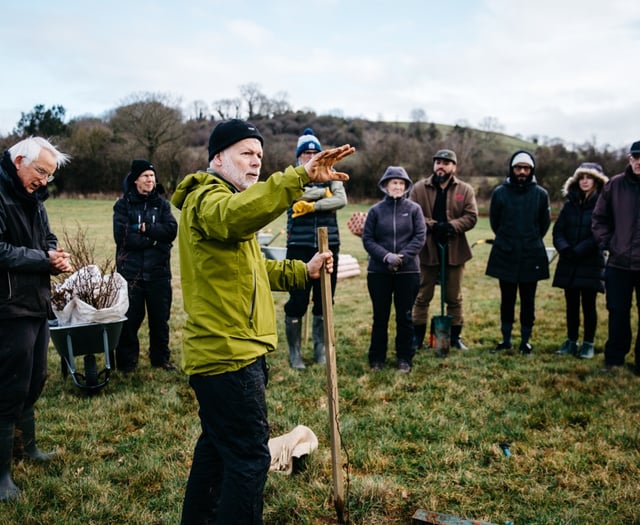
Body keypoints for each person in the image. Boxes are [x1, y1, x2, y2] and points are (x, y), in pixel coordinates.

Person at [170, 118, 354, 525]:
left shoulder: (226, 205)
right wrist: (299, 177)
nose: (255, 163)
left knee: (218, 450)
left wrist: (301, 272)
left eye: (259, 155)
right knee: (250, 457)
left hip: (233, 351)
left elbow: (254, 270)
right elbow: (238, 216)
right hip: (228, 355)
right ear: (218, 157)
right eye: (245, 153)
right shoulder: (209, 199)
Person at [0, 137, 73, 502]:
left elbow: (46, 236)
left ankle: (28, 448)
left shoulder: (34, 199)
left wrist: (53, 253)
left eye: (49, 175)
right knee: (9, 387)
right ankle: (2, 476)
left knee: (35, 378)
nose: (44, 180)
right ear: (18, 161)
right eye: (41, 171)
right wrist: (41, 259)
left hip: (37, 302)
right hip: (8, 306)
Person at [284, 128, 347, 370]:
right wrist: (324, 192)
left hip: (328, 242)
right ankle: (295, 352)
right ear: (298, 156)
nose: (310, 156)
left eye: (314, 152)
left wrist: (312, 204)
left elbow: (341, 200)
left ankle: (320, 349)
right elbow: (292, 196)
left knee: (325, 298)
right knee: (298, 299)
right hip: (298, 244)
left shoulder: (331, 173)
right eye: (305, 153)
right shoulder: (290, 176)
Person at [113, 159, 178, 372]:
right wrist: (155, 239)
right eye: (146, 176)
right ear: (135, 180)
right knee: (130, 321)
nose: (150, 180)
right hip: (131, 273)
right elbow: (123, 238)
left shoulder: (162, 205)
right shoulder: (123, 205)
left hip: (159, 272)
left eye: (152, 176)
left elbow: (171, 231)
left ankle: (160, 359)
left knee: (160, 320)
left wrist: (143, 228)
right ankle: (126, 363)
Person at [409, 149, 478, 352]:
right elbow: (412, 213)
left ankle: (454, 337)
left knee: (454, 297)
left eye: (446, 163)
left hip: (454, 248)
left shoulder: (465, 190)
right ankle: (417, 337)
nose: (441, 166)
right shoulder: (419, 188)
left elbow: (471, 216)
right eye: (438, 162)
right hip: (427, 248)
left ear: (454, 167)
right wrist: (432, 225)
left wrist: (451, 226)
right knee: (422, 296)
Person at [486, 150, 551, 355]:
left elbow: (544, 224)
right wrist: (509, 239)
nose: (522, 171)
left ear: (531, 170)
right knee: (507, 299)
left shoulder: (541, 194)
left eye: (526, 168)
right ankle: (506, 339)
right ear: (512, 169)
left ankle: (525, 340)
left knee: (528, 299)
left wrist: (529, 239)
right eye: (518, 168)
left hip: (531, 253)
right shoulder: (500, 193)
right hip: (506, 252)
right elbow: (495, 222)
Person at [362, 166, 426, 372]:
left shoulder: (415, 209)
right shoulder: (375, 211)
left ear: (406, 186)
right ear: (385, 185)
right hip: (379, 272)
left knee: (405, 316)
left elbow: (420, 237)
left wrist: (402, 258)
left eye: (401, 183)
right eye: (393, 183)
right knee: (380, 316)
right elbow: (368, 239)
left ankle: (404, 358)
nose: (397, 186)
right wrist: (385, 256)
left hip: (408, 272)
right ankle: (377, 359)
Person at [592, 140, 640, 373]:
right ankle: (614, 359)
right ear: (630, 159)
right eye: (636, 157)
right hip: (619, 264)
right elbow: (599, 219)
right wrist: (608, 242)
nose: (639, 162)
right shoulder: (614, 186)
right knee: (618, 312)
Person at [552, 162, 608, 359]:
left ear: (597, 181)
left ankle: (588, 343)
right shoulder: (570, 204)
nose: (585, 181)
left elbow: (601, 232)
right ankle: (571, 341)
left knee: (589, 304)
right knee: (571, 304)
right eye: (581, 177)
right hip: (569, 260)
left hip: (590, 261)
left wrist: (580, 249)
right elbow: (558, 230)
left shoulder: (604, 204)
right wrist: (565, 248)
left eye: (589, 177)